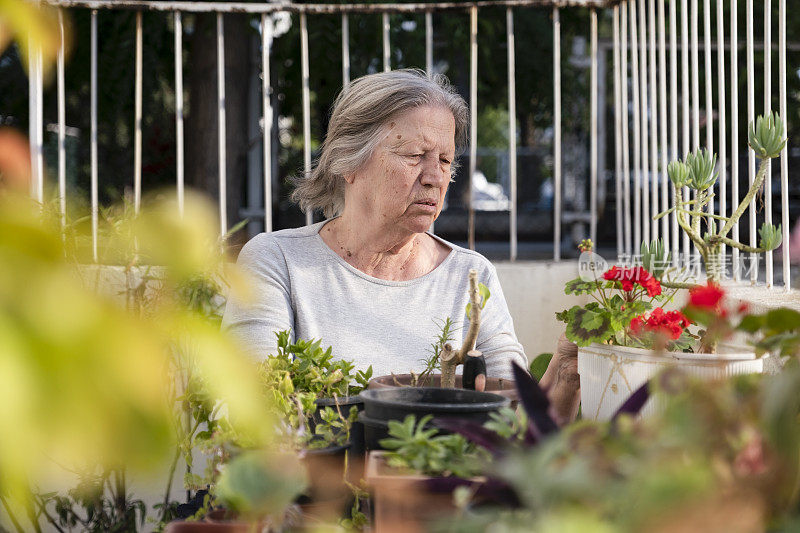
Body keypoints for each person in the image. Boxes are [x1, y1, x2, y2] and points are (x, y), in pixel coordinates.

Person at [222, 69, 579, 422]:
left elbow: (517, 423)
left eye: (444, 160)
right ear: (350, 161)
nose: (435, 178)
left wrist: (565, 373)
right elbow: (250, 410)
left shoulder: (470, 276)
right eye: (414, 156)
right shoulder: (278, 261)